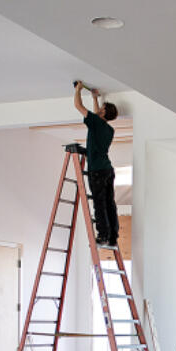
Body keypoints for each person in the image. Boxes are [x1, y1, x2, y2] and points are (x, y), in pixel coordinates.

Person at [73, 81, 119, 248]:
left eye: (102, 108)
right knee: (109, 203)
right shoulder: (108, 129)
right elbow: (96, 114)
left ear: (104, 112)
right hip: (107, 170)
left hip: (98, 171)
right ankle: (113, 237)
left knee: (100, 204)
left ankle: (104, 236)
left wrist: (78, 90)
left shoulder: (96, 123)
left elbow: (78, 105)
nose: (100, 109)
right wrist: (94, 98)